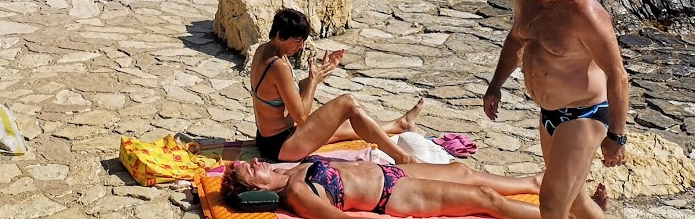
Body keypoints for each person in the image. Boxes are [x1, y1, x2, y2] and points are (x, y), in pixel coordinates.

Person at [484, 0, 628, 219]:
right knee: (575, 203)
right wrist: (495, 85)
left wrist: (617, 136)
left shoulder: (584, 13)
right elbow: (516, 42)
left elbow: (618, 76)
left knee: (551, 205)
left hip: (584, 115)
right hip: (550, 113)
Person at [249, 7, 423, 164]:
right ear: (280, 36)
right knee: (348, 103)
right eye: (297, 41)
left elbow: (287, 90)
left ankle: (400, 125)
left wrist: (319, 74)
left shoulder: (264, 50)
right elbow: (301, 117)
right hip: (282, 146)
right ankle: (403, 158)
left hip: (268, 139)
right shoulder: (278, 65)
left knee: (345, 125)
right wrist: (314, 82)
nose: (301, 47)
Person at [221, 156, 548, 219]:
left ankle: (533, 183)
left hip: (388, 171)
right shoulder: (298, 194)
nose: (256, 163)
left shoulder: (288, 171)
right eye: (252, 171)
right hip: (393, 196)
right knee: (484, 199)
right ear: (257, 191)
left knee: (460, 170)